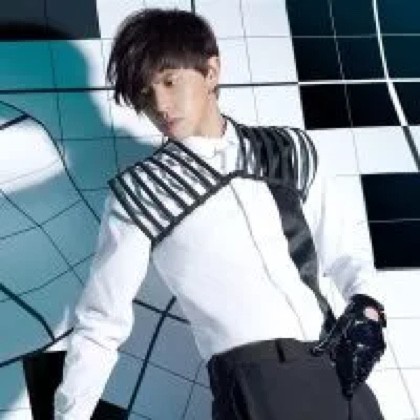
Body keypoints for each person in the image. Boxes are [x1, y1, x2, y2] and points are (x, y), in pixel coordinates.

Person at [54, 8, 387, 420]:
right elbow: (101, 323)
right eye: (144, 92)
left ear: (211, 72)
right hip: (256, 384)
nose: (159, 104)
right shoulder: (142, 193)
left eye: (169, 81)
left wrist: (368, 307)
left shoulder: (289, 151)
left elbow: (346, 252)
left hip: (342, 373)